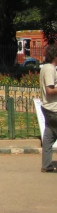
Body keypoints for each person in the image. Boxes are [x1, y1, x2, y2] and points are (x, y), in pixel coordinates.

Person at [39, 44, 57, 173]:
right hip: (54, 108)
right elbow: (50, 90)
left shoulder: (45, 68)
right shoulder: (50, 69)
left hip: (47, 107)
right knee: (49, 136)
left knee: (48, 137)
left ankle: (46, 165)